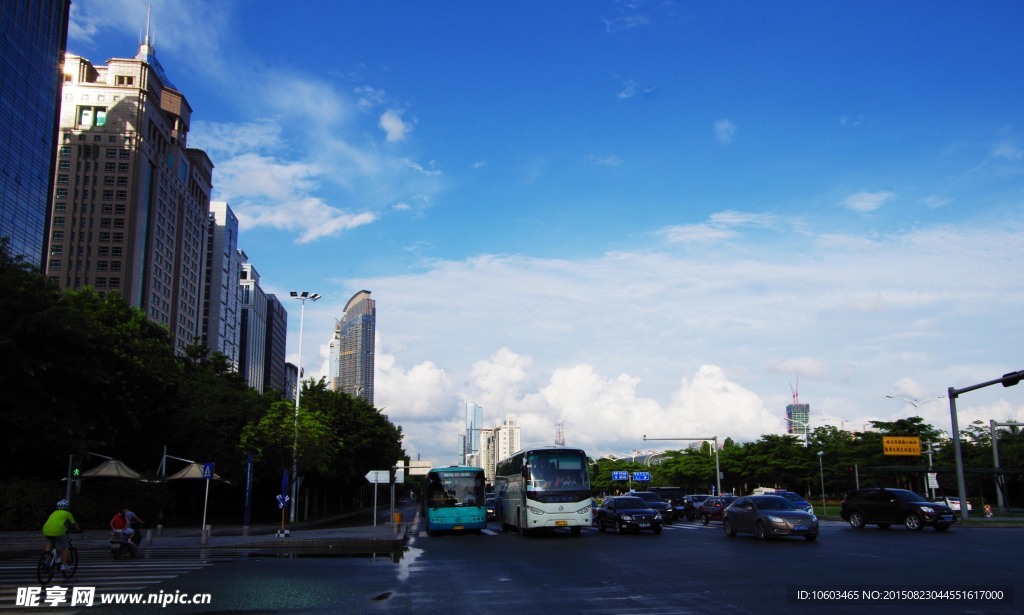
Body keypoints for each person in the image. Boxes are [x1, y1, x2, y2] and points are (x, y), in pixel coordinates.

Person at [42, 499, 80, 572]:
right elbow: (74, 523)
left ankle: (46, 557)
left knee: (50, 541)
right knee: (65, 546)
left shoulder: (54, 513)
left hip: (46, 529)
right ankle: (64, 565)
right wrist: (79, 530)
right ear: (67, 507)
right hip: (58, 531)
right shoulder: (67, 513)